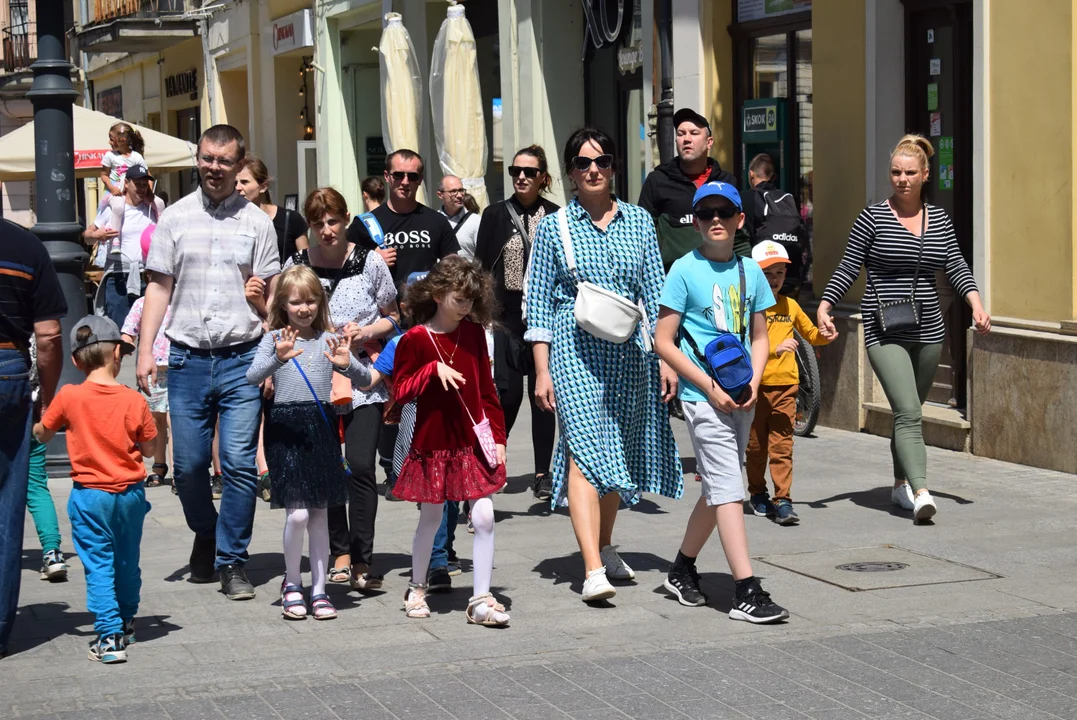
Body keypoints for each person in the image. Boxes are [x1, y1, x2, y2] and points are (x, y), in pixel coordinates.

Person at [525, 128, 682, 603]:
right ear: (570, 173)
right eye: (583, 163)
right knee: (584, 451)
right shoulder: (554, 228)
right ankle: (592, 567)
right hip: (574, 351)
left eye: (603, 161)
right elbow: (536, 304)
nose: (594, 169)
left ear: (614, 168)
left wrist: (665, 358)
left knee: (617, 449)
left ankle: (606, 544)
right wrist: (543, 369)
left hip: (630, 352)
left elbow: (656, 293)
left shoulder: (638, 221)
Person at [137, 124, 280, 600]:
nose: (214, 168)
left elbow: (273, 300)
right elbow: (158, 286)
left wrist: (273, 352)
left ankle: (232, 561)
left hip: (243, 357)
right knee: (190, 467)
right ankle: (208, 531)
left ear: (240, 166)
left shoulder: (258, 224)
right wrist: (143, 349)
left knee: (239, 464)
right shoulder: (174, 219)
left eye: (224, 161)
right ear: (197, 159)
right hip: (187, 360)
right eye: (207, 159)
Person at [817, 134, 990, 523]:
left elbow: (956, 266)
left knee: (904, 414)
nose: (902, 179)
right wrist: (826, 305)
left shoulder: (939, 219)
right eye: (896, 172)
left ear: (925, 174)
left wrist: (975, 303)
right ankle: (922, 491)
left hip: (929, 328)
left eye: (910, 172)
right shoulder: (872, 217)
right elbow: (848, 266)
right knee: (910, 410)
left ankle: (899, 486)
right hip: (884, 328)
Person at [654, 181, 789, 622]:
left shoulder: (750, 271)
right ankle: (746, 589)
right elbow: (664, 342)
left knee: (718, 488)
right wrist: (706, 387)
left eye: (724, 212)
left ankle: (681, 569)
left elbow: (760, 336)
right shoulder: (683, 271)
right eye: (707, 213)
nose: (716, 220)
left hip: (741, 394)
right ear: (695, 221)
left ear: (739, 220)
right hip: (701, 395)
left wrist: (754, 379)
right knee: (730, 486)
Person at [247, 266, 371, 621]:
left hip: (322, 428)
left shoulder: (328, 338)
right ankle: (291, 583)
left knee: (319, 514)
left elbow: (364, 380)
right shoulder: (273, 339)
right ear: (283, 304)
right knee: (298, 512)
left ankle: (319, 589)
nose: (304, 308)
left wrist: (347, 365)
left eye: (311, 300)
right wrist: (277, 358)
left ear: (321, 301)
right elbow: (252, 375)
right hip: (286, 428)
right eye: (296, 302)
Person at [289, 187, 399, 591]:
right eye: (318, 223)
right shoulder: (299, 263)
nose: (326, 230)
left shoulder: (369, 261)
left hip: (362, 378)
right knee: (329, 467)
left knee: (361, 466)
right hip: (314, 379)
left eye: (332, 221)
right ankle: (340, 552)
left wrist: (366, 330)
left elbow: (395, 314)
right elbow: (282, 313)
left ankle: (364, 558)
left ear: (346, 218)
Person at [391, 257, 509, 626]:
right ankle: (416, 587)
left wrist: (500, 437)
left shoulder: (474, 333)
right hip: (433, 443)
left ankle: (481, 599)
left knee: (484, 515)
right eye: (460, 298)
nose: (466, 307)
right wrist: (430, 370)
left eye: (472, 300)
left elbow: (487, 392)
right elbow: (400, 392)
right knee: (431, 517)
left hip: (472, 442)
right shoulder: (415, 339)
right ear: (439, 294)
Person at [33, 316, 158, 663]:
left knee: (99, 565)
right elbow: (149, 449)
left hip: (90, 496)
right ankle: (128, 620)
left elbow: (44, 432)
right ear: (118, 352)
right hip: (131, 494)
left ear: (75, 360)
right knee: (127, 561)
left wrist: (35, 429)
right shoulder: (134, 401)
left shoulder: (69, 396)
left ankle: (109, 636)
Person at [475, 145, 560, 501]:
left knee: (544, 397)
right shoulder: (495, 214)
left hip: (545, 317)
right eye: (515, 171)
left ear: (543, 177)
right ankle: (493, 463)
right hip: (505, 318)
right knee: (506, 397)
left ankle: (543, 473)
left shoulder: (557, 216)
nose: (521, 177)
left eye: (528, 171)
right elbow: (481, 267)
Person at [0, 217, 66, 659]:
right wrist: (47, 396)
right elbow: (48, 336)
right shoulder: (25, 247)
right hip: (7, 374)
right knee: (7, 510)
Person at [744, 241, 830, 526]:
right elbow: (743, 346)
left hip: (786, 386)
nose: (775, 279)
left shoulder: (789, 305)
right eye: (768, 273)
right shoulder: (747, 309)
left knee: (782, 446)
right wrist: (774, 349)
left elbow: (810, 334)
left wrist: (825, 334)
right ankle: (758, 493)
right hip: (755, 388)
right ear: (755, 274)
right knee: (756, 448)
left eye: (779, 273)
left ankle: (783, 500)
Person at [638, 108, 748, 273]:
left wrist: (745, 273)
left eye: (694, 133)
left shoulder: (726, 182)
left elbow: (739, 235)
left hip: (721, 275)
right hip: (672, 279)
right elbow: (643, 236)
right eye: (681, 134)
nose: (686, 139)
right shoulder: (658, 180)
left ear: (709, 142)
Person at [347, 149, 460, 287]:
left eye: (412, 176)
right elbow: (343, 263)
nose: (405, 182)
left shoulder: (437, 221)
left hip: (426, 305)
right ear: (387, 176)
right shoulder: (365, 223)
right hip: (382, 306)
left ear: (420, 180)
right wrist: (370, 258)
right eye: (398, 175)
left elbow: (453, 267)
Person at [88, 166, 165, 328]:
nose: (142, 189)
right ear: (127, 183)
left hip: (148, 276)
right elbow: (86, 235)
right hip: (118, 277)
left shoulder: (152, 210)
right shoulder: (114, 208)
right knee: (119, 332)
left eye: (145, 185)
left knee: (151, 332)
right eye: (138, 184)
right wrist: (96, 236)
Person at [26, 337, 69, 582]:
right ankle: (53, 554)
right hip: (28, 403)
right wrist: (47, 400)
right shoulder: (28, 304)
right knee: (36, 487)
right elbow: (48, 340)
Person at [122, 296, 174, 487]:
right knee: (155, 421)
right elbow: (129, 331)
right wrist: (123, 346)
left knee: (174, 420)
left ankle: (178, 472)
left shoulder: (181, 299)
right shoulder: (143, 303)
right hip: (152, 371)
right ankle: (159, 466)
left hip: (179, 368)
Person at [744, 153, 809, 299]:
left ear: (751, 174)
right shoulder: (788, 199)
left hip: (763, 279)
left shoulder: (748, 198)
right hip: (791, 277)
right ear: (773, 176)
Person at [236, 156, 310, 262]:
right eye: (235, 183)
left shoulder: (290, 220)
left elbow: (305, 266)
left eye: (244, 182)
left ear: (263, 187)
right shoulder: (231, 221)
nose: (238, 188)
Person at [438, 175, 481, 260]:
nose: (460, 195)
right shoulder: (433, 221)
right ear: (440, 195)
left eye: (461, 190)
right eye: (453, 191)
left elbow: (484, 256)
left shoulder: (476, 221)